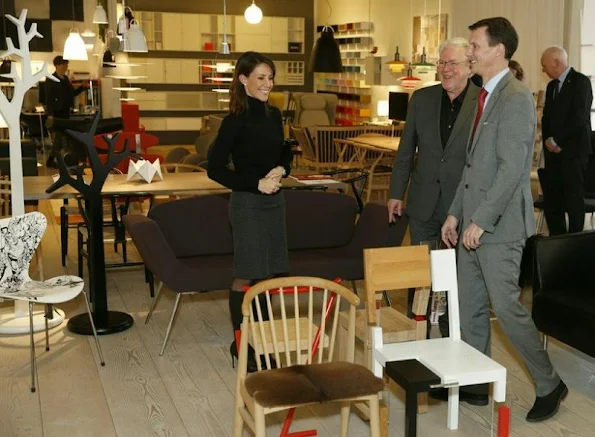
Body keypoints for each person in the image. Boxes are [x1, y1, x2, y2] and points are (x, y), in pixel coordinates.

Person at [440, 17, 566, 422]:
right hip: (472, 224)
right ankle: (477, 384)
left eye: (475, 44)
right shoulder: (484, 95)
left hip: (499, 229)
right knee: (470, 308)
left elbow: (512, 170)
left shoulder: (514, 98)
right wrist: (455, 213)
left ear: (498, 50)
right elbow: (474, 166)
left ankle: (550, 384)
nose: (470, 51)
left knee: (507, 310)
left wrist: (482, 220)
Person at [388, 37, 479, 338]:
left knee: (453, 274)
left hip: (461, 204)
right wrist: (395, 194)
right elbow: (405, 152)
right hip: (422, 201)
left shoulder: (483, 102)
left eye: (453, 63)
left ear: (469, 66)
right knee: (420, 271)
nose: (445, 69)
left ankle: (451, 333)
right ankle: (417, 331)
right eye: (442, 63)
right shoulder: (421, 99)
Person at [207, 51, 292, 372]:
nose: (268, 84)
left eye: (270, 78)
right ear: (243, 80)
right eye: (261, 78)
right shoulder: (234, 121)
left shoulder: (275, 115)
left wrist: (282, 168)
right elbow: (214, 168)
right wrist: (256, 183)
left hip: (275, 202)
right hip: (247, 204)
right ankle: (241, 342)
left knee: (268, 272)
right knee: (247, 272)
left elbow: (284, 148)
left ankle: (262, 341)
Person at [540, 46, 593, 235]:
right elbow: (546, 118)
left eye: (544, 65)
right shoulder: (551, 86)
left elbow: (580, 118)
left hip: (573, 152)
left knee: (573, 199)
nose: (543, 70)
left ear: (557, 62)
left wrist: (558, 141)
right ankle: (557, 240)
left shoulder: (581, 82)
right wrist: (548, 141)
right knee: (553, 200)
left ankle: (575, 241)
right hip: (553, 154)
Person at [45, 55, 88, 167]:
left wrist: (82, 87)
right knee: (61, 135)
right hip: (56, 112)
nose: (66, 67)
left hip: (65, 112)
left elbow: (71, 94)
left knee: (60, 136)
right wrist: (50, 114)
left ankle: (52, 160)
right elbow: (48, 98)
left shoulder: (65, 79)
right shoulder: (51, 79)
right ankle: (57, 159)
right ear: (58, 65)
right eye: (64, 64)